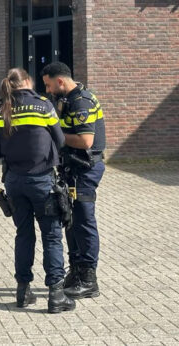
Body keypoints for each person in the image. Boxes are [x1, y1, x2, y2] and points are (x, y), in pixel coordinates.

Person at [0, 67, 75, 313]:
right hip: (42, 181)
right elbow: (60, 140)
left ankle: (23, 291)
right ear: (27, 81)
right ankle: (56, 295)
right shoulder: (44, 106)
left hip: (14, 182)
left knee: (24, 235)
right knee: (51, 236)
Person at [40, 61, 106, 300]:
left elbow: (86, 141)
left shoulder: (81, 101)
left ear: (60, 81)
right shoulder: (68, 99)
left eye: (49, 85)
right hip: (72, 170)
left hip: (85, 170)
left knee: (84, 221)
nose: (47, 90)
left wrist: (54, 134)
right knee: (71, 220)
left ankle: (88, 279)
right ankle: (76, 272)